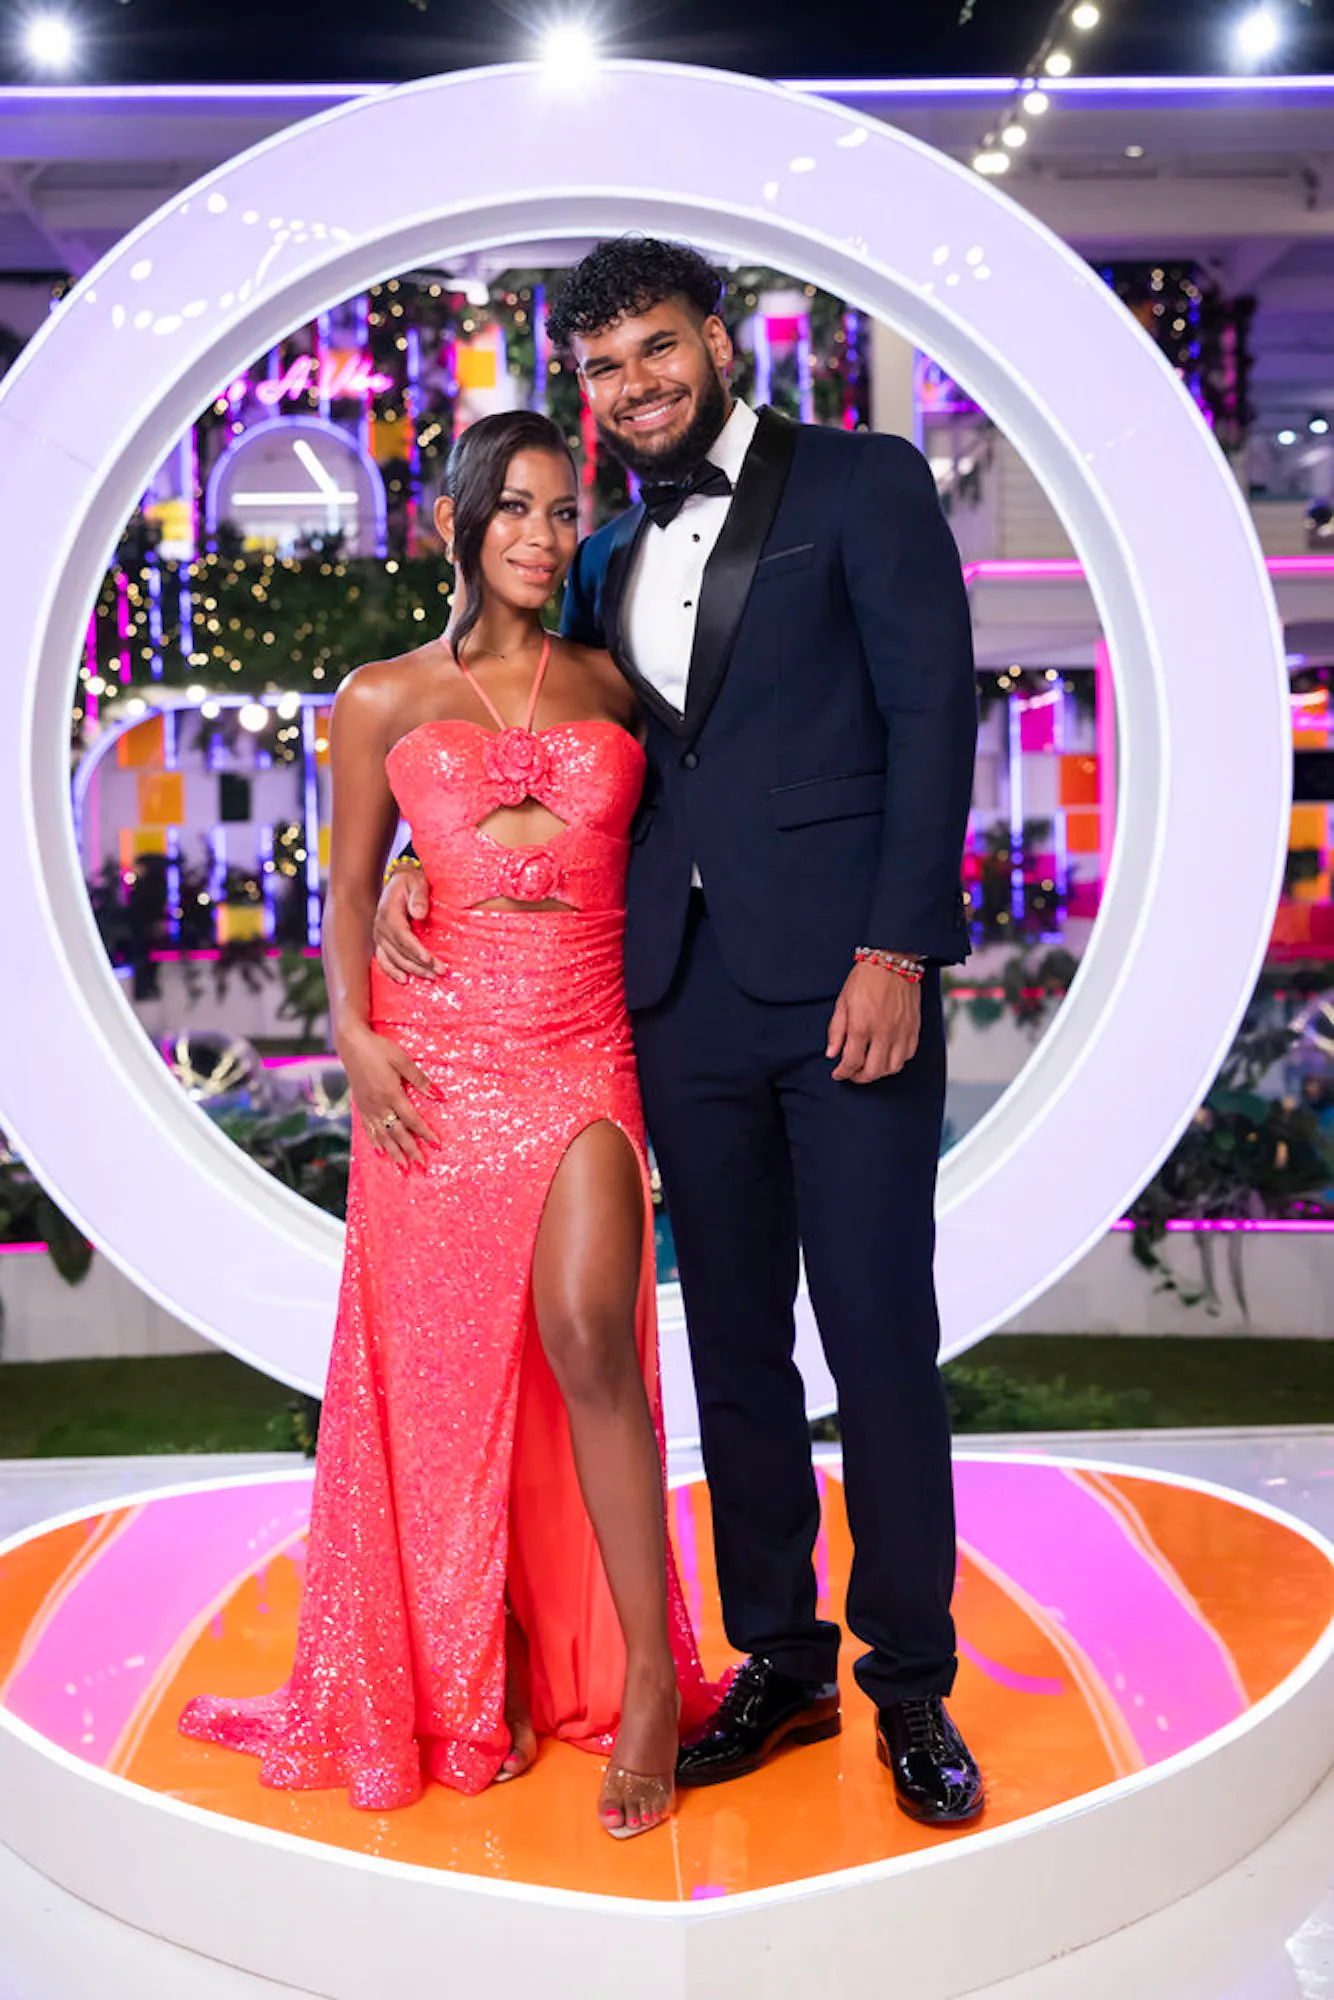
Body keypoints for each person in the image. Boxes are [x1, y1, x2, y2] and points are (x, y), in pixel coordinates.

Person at [377, 239, 984, 1826]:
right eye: (602, 366)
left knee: (877, 1333)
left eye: (656, 348)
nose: (634, 385)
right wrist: (415, 862)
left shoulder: (860, 481)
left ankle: (909, 1684)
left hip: (848, 985)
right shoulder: (595, 558)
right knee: (730, 1343)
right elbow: (537, 737)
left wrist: (896, 947)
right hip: (671, 997)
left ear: (716, 339)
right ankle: (776, 1659)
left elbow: (933, 716)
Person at [179, 409, 714, 1840]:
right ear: (456, 526)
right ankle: (489, 1655)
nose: (543, 536)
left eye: (563, 510)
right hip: (431, 1069)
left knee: (592, 1335)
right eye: (516, 509)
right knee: (445, 1386)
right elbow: (349, 889)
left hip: (581, 1046)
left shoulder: (617, 686)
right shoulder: (381, 698)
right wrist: (356, 1037)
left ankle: (645, 1677)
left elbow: (689, 845)